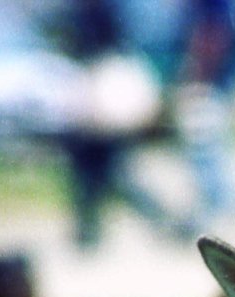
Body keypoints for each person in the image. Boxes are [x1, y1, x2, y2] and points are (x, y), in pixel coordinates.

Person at [59, 0, 183, 250]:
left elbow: (105, 47)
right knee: (91, 172)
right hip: (94, 92)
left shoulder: (105, 10)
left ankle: (162, 219)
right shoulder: (88, 10)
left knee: (110, 173)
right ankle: (88, 230)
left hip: (104, 90)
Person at [173, 0, 235, 233]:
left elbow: (214, 34)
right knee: (214, 149)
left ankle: (220, 209)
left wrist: (197, 76)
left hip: (215, 79)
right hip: (231, 76)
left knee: (205, 147)